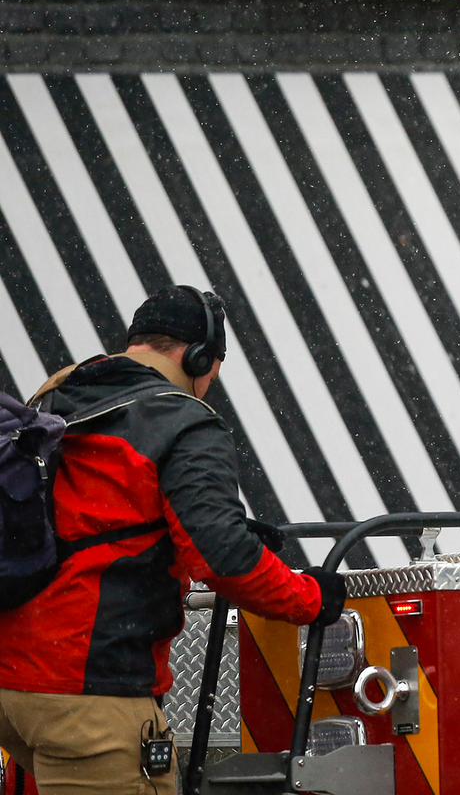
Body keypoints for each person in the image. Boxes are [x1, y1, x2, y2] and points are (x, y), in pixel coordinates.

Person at [0, 286, 343, 795]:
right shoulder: (181, 420)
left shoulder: (58, 398)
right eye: (212, 375)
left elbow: (92, 519)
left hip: (13, 689)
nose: (207, 387)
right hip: (91, 695)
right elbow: (224, 560)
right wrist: (311, 597)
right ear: (199, 357)